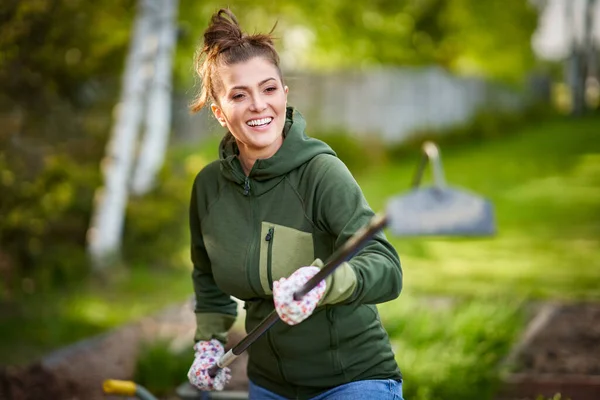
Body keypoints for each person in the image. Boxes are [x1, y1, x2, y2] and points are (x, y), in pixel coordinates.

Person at [186, 8, 404, 400]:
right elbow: (207, 276)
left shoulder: (321, 172)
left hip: (353, 380)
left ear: (284, 94)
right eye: (239, 94)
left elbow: (385, 267)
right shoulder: (208, 189)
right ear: (219, 112)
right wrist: (209, 342)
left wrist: (321, 283)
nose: (257, 105)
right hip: (269, 387)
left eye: (268, 89)